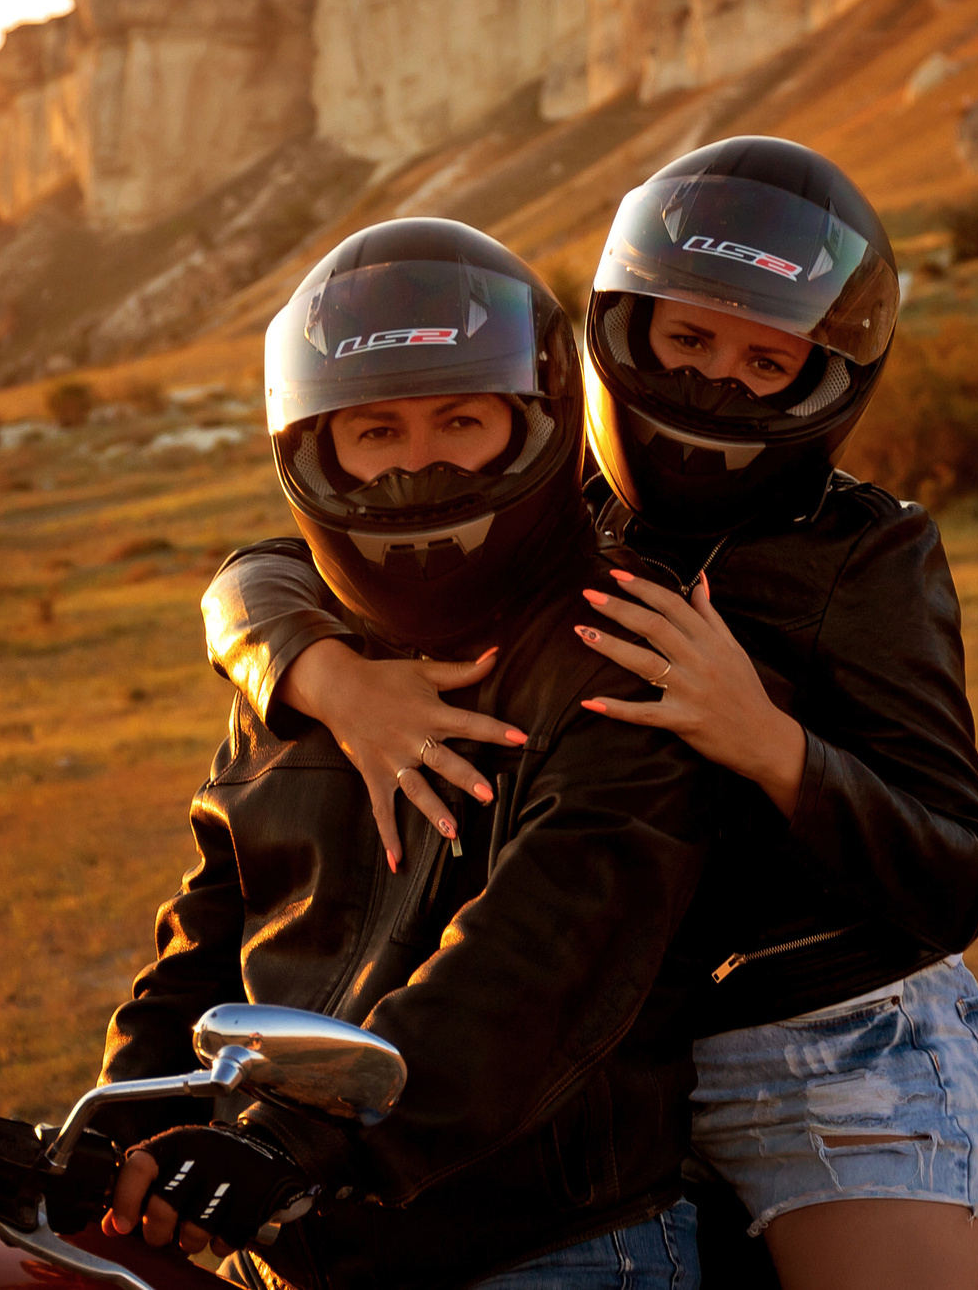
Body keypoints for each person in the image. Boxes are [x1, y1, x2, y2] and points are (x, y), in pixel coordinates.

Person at [201, 139, 978, 1290]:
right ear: (623, 329)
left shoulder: (865, 555)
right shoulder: (555, 497)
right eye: (689, 340)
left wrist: (770, 745)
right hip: (607, 1061)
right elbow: (269, 567)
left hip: (828, 1045)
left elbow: (958, 876)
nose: (715, 383)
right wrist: (320, 673)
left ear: (821, 377)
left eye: (764, 359)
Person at [97, 218, 717, 1290]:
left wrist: (293, 1142)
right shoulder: (310, 663)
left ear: (536, 421)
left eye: (460, 420)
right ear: (316, 445)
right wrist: (120, 1121)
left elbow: (535, 965)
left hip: (544, 1243)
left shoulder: (617, 646)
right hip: (293, 1237)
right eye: (375, 429)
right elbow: (209, 930)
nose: (417, 461)